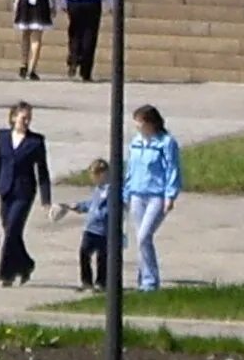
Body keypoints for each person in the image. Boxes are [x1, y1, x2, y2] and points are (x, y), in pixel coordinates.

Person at [0, 100, 51, 287]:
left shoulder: (36, 141)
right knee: (10, 232)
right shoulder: (2, 137)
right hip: (5, 189)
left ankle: (6, 274)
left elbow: (43, 172)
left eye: (29, 118)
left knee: (13, 229)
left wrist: (46, 199)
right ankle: (25, 264)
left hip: (24, 192)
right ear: (14, 117)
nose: (26, 122)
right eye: (24, 118)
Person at [123, 103, 182, 292]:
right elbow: (131, 169)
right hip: (137, 194)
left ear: (150, 123)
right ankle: (143, 277)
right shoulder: (136, 142)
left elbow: (172, 168)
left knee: (144, 236)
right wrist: (126, 192)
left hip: (156, 195)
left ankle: (150, 280)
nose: (137, 127)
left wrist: (170, 195)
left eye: (140, 123)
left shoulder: (166, 143)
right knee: (141, 239)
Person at [64, 158, 113, 289]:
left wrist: (99, 213)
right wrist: (79, 206)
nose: (93, 179)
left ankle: (101, 282)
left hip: (104, 230)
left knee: (102, 257)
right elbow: (91, 203)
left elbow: (110, 208)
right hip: (90, 228)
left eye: (95, 175)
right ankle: (86, 281)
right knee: (84, 252)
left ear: (103, 174)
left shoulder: (112, 190)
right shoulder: (98, 189)